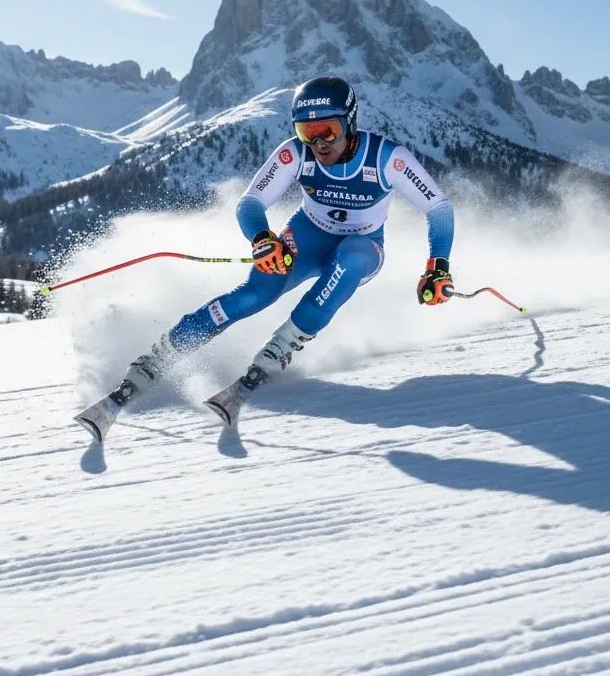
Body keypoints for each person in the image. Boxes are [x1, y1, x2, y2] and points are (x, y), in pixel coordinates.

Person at [76, 75, 455, 440]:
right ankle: (156, 360)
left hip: (363, 244)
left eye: (328, 131)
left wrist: (437, 266)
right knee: (254, 295)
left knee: (351, 259)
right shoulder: (295, 153)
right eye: (308, 132)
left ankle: (281, 347)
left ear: (350, 123)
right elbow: (251, 202)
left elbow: (438, 208)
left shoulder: (388, 158)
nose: (319, 143)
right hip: (307, 236)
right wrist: (262, 239)